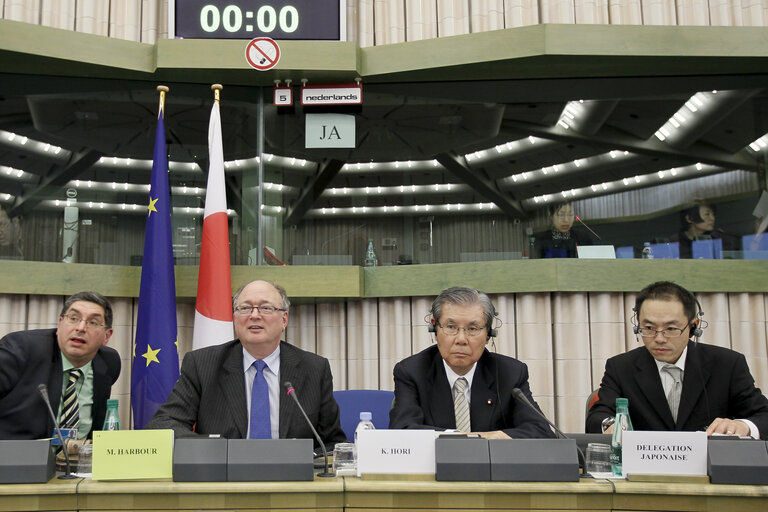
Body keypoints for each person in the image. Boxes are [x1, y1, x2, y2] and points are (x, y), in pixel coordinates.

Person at [147, 280, 346, 451]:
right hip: (224, 479)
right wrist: (218, 450)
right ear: (235, 318)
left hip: (291, 482)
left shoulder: (314, 369)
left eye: (266, 308)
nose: (254, 315)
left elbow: (332, 443)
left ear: (284, 319)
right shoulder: (202, 365)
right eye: (245, 308)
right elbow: (164, 425)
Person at [586, 281, 768, 439]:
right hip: (646, 469)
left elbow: (763, 415)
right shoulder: (621, 367)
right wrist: (610, 425)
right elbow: (598, 416)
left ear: (693, 326)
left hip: (709, 469)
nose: (659, 338)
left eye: (671, 329)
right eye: (648, 328)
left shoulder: (727, 364)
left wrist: (744, 426)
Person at [389, 286, 555, 439]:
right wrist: (466, 440)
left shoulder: (510, 373)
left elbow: (541, 432)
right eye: (451, 327)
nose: (461, 339)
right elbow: (402, 431)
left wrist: (488, 439)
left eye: (472, 329)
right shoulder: (411, 372)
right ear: (435, 329)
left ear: (488, 333)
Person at [0, 291, 120, 440]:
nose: (81, 328)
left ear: (106, 336)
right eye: (74, 318)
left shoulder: (109, 362)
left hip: (79, 459)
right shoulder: (21, 349)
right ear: (60, 324)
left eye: (93, 322)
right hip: (17, 458)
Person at [669, 202, 733, 258]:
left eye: (713, 214)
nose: (712, 218)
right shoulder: (675, 242)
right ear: (689, 218)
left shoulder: (719, 239)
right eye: (707, 214)